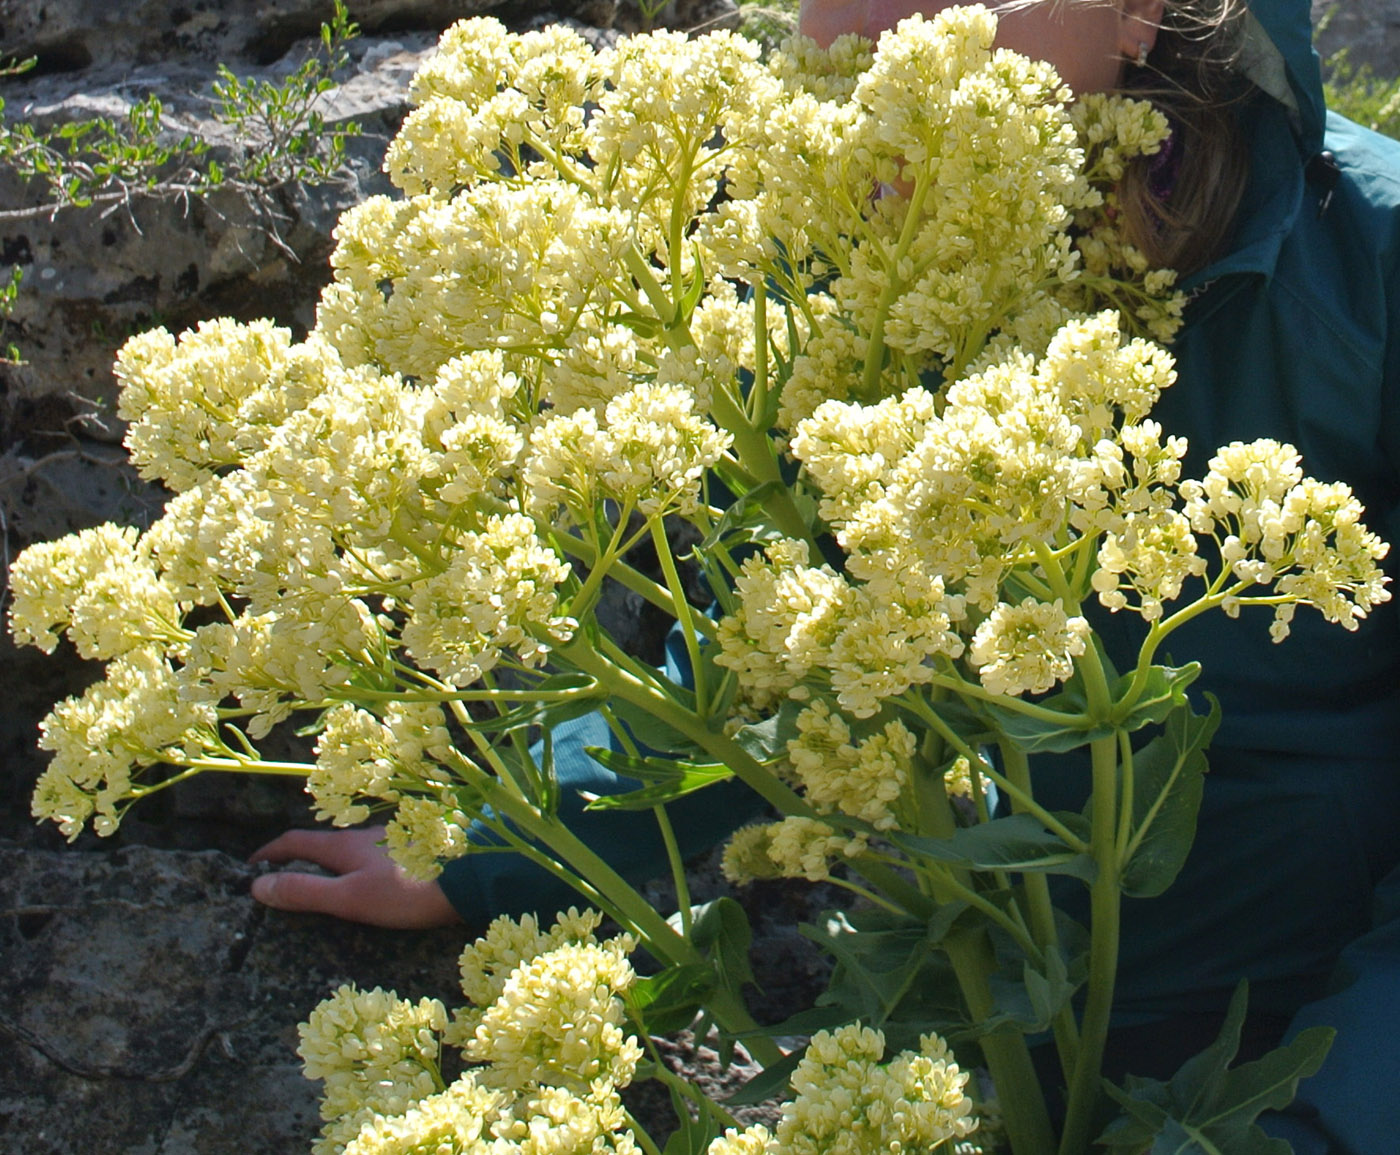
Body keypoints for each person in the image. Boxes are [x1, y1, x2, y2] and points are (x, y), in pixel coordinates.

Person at [251, 2, 1400, 1149]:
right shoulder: (850, 252)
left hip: (1290, 1055)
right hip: (983, 1065)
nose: (874, 47)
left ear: (1141, 13)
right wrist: (505, 845)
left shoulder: (1370, 267)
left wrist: (1306, 1135)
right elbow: (781, 627)